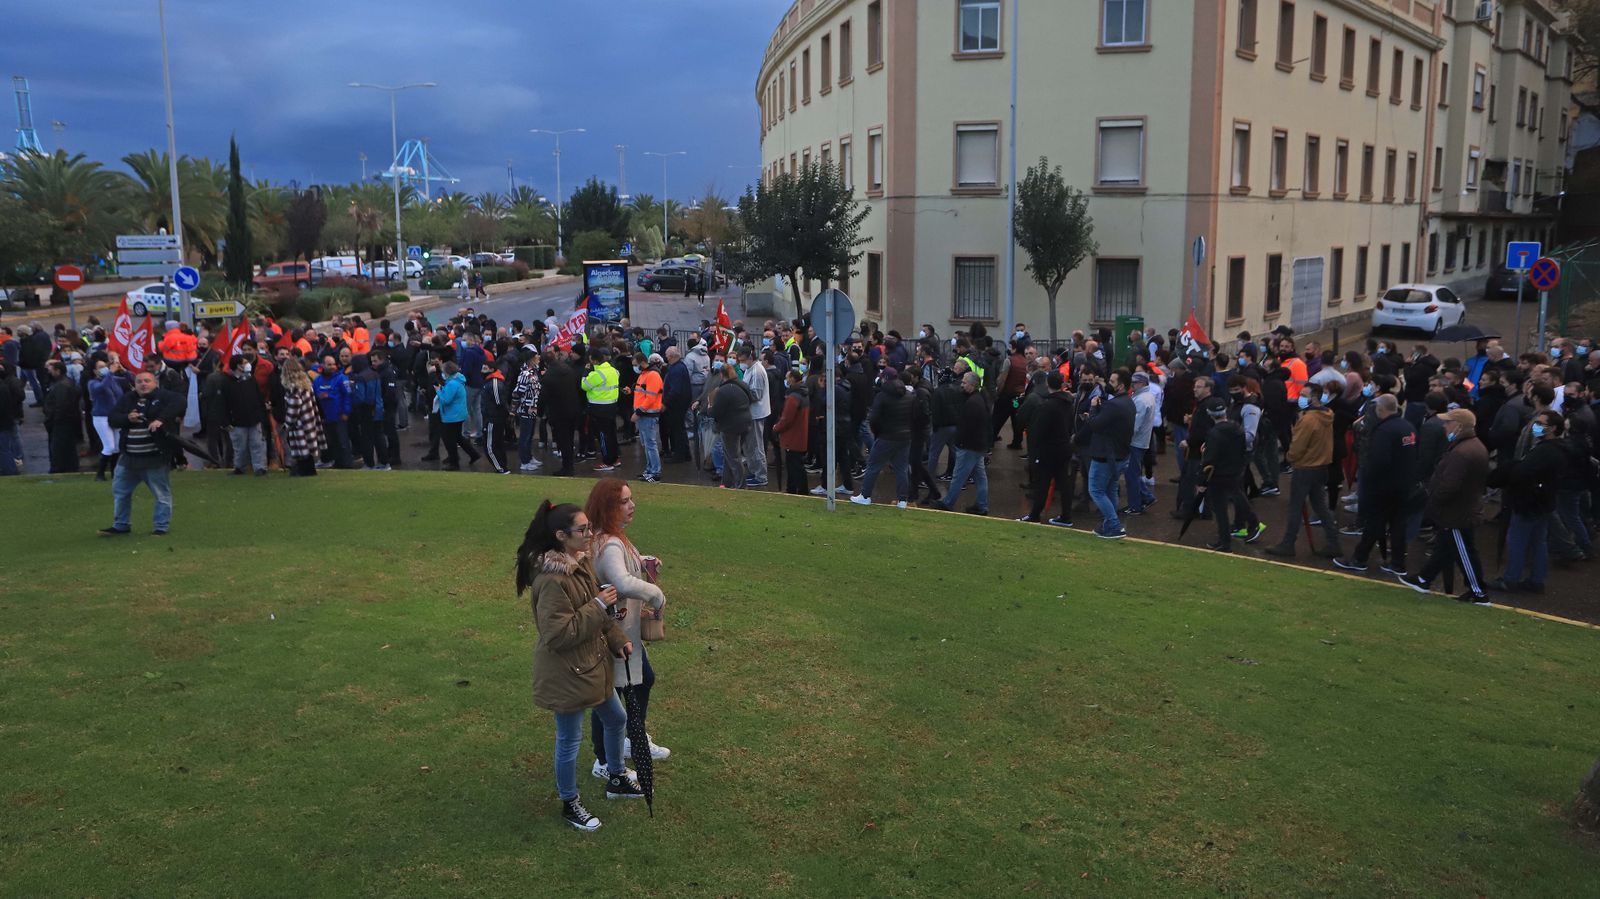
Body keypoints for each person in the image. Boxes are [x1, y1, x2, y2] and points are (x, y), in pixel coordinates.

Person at [516, 497, 642, 833]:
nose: (589, 534)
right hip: (566, 673)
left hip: (592, 666)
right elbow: (558, 634)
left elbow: (595, 613)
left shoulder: (579, 562)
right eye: (582, 529)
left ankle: (615, 777)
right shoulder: (551, 580)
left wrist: (618, 639)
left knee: (616, 719)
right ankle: (570, 802)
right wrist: (600, 604)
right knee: (569, 739)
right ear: (561, 535)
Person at [583, 480, 671, 783]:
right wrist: (655, 594)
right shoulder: (609, 543)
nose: (631, 505)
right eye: (624, 501)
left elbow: (620, 568)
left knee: (639, 682)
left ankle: (630, 739)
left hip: (623, 630)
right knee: (610, 695)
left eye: (631, 499)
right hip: (614, 634)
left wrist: (643, 562)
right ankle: (604, 759)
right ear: (608, 507)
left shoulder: (610, 539)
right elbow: (621, 581)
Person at [1397, 409, 1490, 603]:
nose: (1445, 426)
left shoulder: (1462, 452)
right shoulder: (1471, 446)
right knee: (1446, 547)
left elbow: (1449, 486)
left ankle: (1478, 592)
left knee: (1464, 551)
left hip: (1457, 512)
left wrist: (1433, 503)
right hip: (1461, 509)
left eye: (1448, 423)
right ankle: (1424, 579)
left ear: (1458, 425)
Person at [1335, 394, 1417, 575]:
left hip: (1385, 487)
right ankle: (1397, 563)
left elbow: (1378, 461)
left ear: (1380, 410)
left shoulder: (1384, 431)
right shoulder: (1407, 426)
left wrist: (1370, 485)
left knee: (1374, 524)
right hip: (1403, 484)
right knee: (1397, 525)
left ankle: (1360, 559)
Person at [1490, 410, 1565, 594]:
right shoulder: (1557, 449)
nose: (1536, 427)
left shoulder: (1544, 450)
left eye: (1541, 424)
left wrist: (1512, 471)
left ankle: (1510, 579)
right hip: (1543, 502)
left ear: (1553, 428)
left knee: (1517, 541)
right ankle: (1536, 579)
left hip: (1529, 502)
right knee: (1538, 542)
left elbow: (1522, 473)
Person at [100, 370, 182, 536]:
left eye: (147, 381)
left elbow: (180, 403)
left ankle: (160, 527)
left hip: (154, 458)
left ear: (155, 383)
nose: (143, 384)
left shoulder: (164, 397)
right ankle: (121, 525)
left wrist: (161, 420)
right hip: (129, 458)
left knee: (161, 494)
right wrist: (127, 418)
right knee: (120, 492)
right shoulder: (128, 399)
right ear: (134, 384)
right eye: (139, 382)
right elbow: (113, 418)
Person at [1265, 386, 1342, 558]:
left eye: (1304, 395)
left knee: (1296, 507)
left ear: (1314, 397)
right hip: (1321, 466)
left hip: (1305, 467)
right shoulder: (1327, 415)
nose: (1300, 398)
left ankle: (1288, 543)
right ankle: (1333, 542)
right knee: (1320, 506)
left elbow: (1298, 446)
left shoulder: (1308, 420)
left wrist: (1290, 457)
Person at [1081, 369, 1136, 539]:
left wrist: (1092, 409)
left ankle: (1113, 525)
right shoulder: (1128, 402)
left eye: (1111, 382)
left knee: (1096, 490)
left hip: (1106, 455)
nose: (1107, 385)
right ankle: (1108, 524)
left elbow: (1095, 425)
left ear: (1121, 386)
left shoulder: (1115, 405)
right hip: (1120, 455)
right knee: (1110, 490)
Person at [850, 369, 914, 508]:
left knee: (873, 466)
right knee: (901, 468)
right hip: (905, 437)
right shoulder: (909, 395)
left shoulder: (882, 396)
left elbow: (873, 419)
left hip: (887, 436)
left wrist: (878, 433)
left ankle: (865, 496)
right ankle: (903, 500)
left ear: (885, 379)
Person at [1018, 372, 1076, 526]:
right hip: (1063, 447)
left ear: (1047, 384)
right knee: (1064, 483)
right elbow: (1070, 425)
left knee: (1042, 483)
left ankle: (1035, 514)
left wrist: (1035, 451)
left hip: (1048, 450)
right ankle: (1066, 516)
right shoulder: (1068, 403)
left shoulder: (1047, 405)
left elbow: (1038, 431)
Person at [936, 372, 990, 515]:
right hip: (978, 445)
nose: (962, 385)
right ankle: (981, 505)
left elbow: (967, 427)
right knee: (980, 478)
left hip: (969, 446)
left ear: (972, 385)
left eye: (964, 383)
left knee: (958, 476)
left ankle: (948, 503)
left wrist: (959, 443)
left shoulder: (973, 403)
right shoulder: (979, 399)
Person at [709, 358, 754, 488]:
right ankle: (726, 483)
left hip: (730, 427)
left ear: (722, 375)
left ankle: (740, 485)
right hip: (745, 423)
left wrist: (709, 407)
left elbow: (715, 412)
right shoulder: (742, 385)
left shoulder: (723, 391)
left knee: (733, 457)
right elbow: (750, 399)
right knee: (731, 456)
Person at [279, 359, 326, 477]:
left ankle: (303, 471)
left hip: (299, 423)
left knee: (301, 448)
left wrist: (288, 423)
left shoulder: (293, 387)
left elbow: (294, 406)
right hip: (309, 420)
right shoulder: (306, 384)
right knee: (308, 448)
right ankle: (310, 470)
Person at [224, 354, 268, 476]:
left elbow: (258, 398)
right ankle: (239, 467)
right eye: (244, 362)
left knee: (257, 444)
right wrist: (226, 422)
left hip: (254, 419)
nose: (247, 364)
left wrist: (261, 415)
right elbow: (223, 404)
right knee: (240, 446)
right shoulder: (227, 382)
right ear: (238, 366)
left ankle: (259, 467)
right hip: (237, 421)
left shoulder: (251, 379)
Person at [88, 355, 129, 480]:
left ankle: (114, 473)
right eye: (100, 367)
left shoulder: (112, 379)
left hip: (115, 416)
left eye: (104, 366)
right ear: (94, 371)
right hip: (101, 417)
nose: (104, 369)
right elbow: (101, 388)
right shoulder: (92, 383)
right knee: (109, 446)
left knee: (117, 447)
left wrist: (124, 370)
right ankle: (100, 473)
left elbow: (129, 379)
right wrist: (110, 373)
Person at [581, 348, 622, 472]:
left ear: (594, 361)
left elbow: (584, 386)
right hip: (612, 406)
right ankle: (615, 458)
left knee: (603, 435)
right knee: (611, 433)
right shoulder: (613, 370)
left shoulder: (597, 374)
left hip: (599, 408)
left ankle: (607, 461)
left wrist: (585, 372)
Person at [435, 361, 480, 470]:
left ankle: (454, 463)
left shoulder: (452, 384)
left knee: (450, 439)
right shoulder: (457, 380)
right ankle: (473, 454)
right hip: (458, 414)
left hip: (452, 416)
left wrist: (438, 391)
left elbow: (446, 400)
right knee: (458, 437)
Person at [772, 368, 810, 495]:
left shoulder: (793, 398)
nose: (786, 380)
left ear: (792, 379)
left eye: (787, 377)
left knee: (794, 466)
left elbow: (786, 419)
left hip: (792, 437)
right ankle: (793, 489)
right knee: (795, 465)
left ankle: (799, 490)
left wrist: (776, 428)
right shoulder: (803, 394)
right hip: (799, 436)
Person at [1124, 371, 1158, 514]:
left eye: (1135, 382)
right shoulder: (1146, 396)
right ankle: (1146, 496)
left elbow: (1134, 425)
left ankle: (1135, 506)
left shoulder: (1141, 400)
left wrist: (1124, 438)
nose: (1132, 385)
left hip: (1135, 442)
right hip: (1141, 441)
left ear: (1142, 383)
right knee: (1134, 473)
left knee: (1131, 475)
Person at [312, 354, 354, 469]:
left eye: (333, 364)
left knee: (343, 441)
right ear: (322, 365)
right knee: (331, 441)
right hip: (326, 417)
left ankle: (347, 464)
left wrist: (346, 412)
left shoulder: (341, 378)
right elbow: (315, 397)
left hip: (339, 416)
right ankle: (336, 462)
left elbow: (347, 396)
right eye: (329, 364)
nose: (332, 366)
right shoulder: (317, 381)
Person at [738, 347, 771, 487]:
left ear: (750, 358)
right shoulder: (750, 369)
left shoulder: (757, 371)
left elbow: (756, 394)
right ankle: (754, 471)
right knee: (750, 446)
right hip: (751, 413)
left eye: (743, 361)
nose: (741, 363)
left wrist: (740, 394)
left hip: (756, 414)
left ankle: (761, 476)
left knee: (756, 446)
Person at [42, 360, 82, 473]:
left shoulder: (62, 386)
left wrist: (52, 420)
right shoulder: (65, 383)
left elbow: (61, 406)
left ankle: (59, 468)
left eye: (51, 370)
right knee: (67, 446)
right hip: (65, 421)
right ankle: (69, 467)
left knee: (59, 448)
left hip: (61, 422)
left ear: (57, 371)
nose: (49, 372)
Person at [631, 353, 665, 482]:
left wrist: (638, 412)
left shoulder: (651, 375)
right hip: (645, 413)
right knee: (647, 444)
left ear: (641, 362)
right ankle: (651, 470)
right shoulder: (647, 374)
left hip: (647, 414)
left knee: (650, 444)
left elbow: (651, 397)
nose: (634, 367)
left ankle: (655, 472)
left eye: (635, 365)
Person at [511, 352, 544, 472]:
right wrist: (513, 410)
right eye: (536, 357)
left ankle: (529, 457)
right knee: (525, 436)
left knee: (529, 436)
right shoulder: (525, 374)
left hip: (532, 409)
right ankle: (524, 461)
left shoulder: (533, 372)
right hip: (526, 409)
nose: (539, 358)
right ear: (531, 359)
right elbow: (517, 392)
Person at [480, 357, 511, 474]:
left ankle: (501, 468)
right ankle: (502, 466)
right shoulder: (494, 381)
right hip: (495, 418)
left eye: (485, 369)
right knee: (497, 444)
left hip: (493, 418)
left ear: (492, 369)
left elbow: (499, 402)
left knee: (489, 447)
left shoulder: (494, 382)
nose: (482, 371)